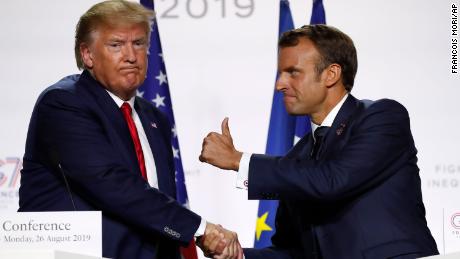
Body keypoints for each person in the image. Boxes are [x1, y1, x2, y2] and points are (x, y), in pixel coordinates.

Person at [19, 1, 242, 258]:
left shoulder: (154, 118)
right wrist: (200, 229)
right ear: (88, 54)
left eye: (138, 43)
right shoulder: (64, 104)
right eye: (116, 45)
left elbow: (159, 204)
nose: (131, 55)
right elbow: (112, 184)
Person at [199, 24, 439, 258]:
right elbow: (292, 252)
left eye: (293, 72)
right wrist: (235, 255)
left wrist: (239, 161)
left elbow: (332, 181)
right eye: (280, 73)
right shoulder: (296, 158)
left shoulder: (382, 117)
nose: (280, 84)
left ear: (331, 74)